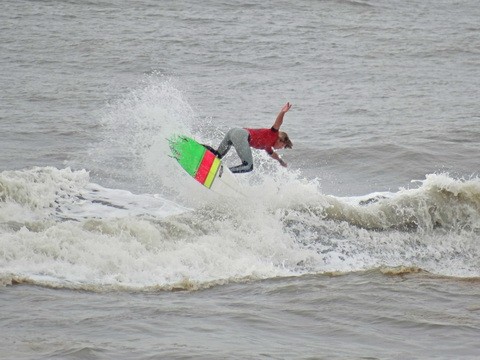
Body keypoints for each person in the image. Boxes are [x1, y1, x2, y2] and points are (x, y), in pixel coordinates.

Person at [214, 102, 293, 173]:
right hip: (242, 135)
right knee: (248, 166)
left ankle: (202, 147)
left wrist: (280, 161)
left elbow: (273, 154)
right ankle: (222, 172)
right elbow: (278, 123)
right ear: (280, 140)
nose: (280, 148)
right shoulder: (273, 134)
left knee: (217, 155)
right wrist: (283, 112)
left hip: (233, 132)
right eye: (282, 146)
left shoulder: (268, 147)